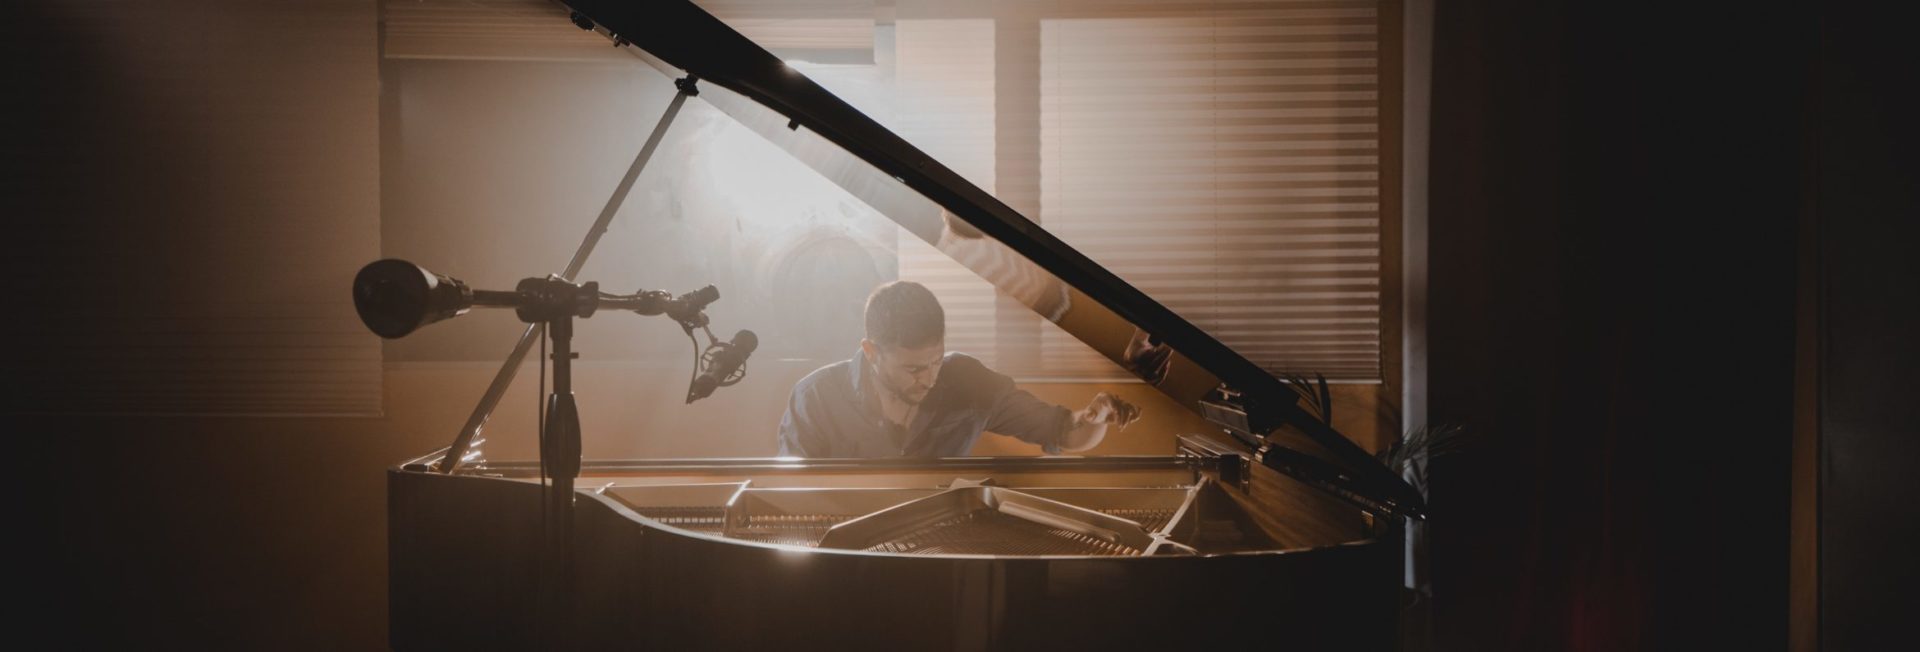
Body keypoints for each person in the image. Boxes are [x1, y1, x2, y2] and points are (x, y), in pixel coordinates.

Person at [777, 280, 1140, 457]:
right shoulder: (816, 398)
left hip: (943, 546)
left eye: (936, 360)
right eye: (913, 369)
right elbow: (792, 494)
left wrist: (1094, 419)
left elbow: (1063, 432)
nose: (930, 378)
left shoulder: (968, 381)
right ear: (871, 352)